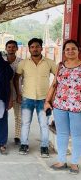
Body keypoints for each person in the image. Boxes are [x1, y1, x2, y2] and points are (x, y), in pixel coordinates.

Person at [14, 38, 56, 157]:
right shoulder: (24, 63)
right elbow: (16, 78)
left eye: (37, 46)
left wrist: (52, 96)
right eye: (32, 47)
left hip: (44, 100)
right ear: (29, 49)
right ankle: (24, 144)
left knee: (44, 124)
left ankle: (44, 147)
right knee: (25, 123)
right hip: (27, 98)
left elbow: (58, 77)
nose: (35, 49)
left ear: (41, 48)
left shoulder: (49, 62)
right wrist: (18, 93)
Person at [44, 40, 81, 174]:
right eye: (67, 49)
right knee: (62, 134)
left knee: (77, 135)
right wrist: (47, 101)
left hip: (78, 107)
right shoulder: (60, 66)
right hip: (59, 105)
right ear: (64, 52)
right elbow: (54, 84)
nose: (70, 51)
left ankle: (75, 163)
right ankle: (61, 161)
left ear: (78, 50)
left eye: (73, 49)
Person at [4, 40, 22, 145]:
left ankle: (17, 136)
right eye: (9, 47)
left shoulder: (22, 62)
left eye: (13, 47)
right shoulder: (1, 60)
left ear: (16, 48)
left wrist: (20, 93)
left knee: (18, 116)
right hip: (5, 93)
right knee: (2, 116)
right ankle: (3, 135)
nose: (11, 49)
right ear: (6, 48)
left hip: (18, 92)